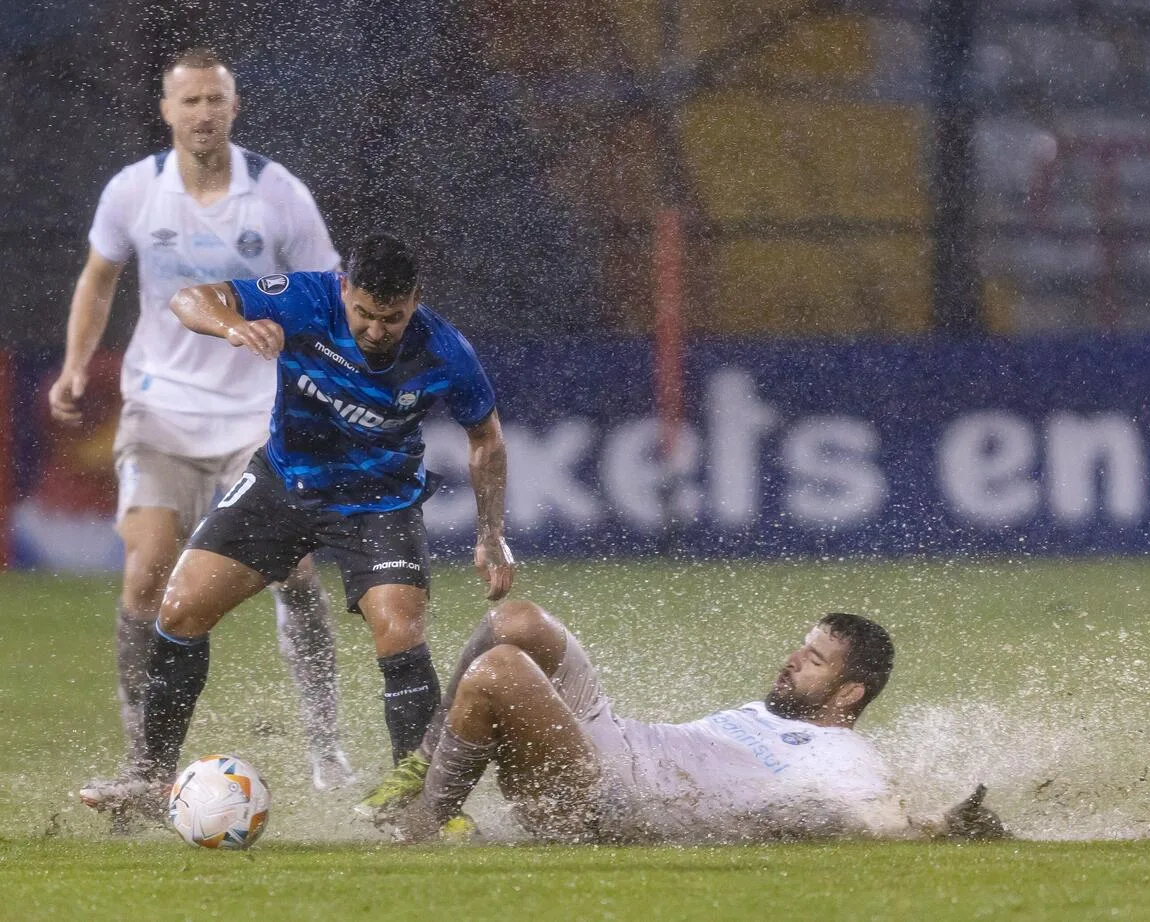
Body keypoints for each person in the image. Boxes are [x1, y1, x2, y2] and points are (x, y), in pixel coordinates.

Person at [78, 231, 516, 822]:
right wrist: (232, 326)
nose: (376, 330)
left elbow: (486, 439)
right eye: (364, 313)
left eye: (392, 317)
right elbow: (190, 298)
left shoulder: (445, 352)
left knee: (399, 629)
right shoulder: (306, 299)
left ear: (414, 300)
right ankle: (150, 780)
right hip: (285, 483)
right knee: (180, 608)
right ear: (344, 290)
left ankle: (422, 803)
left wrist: (491, 534)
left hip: (378, 503)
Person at [48, 49, 354, 792]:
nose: (204, 113)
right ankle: (144, 767)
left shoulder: (278, 194)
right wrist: (76, 364)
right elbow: (98, 279)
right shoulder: (134, 193)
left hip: (259, 415)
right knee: (147, 569)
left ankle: (326, 748)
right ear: (167, 111)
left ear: (235, 107)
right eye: (190, 101)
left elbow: (332, 291)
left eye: (216, 99)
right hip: (161, 408)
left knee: (297, 573)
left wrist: (330, 384)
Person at [382, 600, 1008, 844]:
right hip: (613, 741)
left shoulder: (838, 753)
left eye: (813, 660)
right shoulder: (763, 715)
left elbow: (875, 813)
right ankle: (419, 764)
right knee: (515, 621)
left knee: (499, 670)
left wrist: (941, 826)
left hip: (614, 802)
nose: (792, 660)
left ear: (848, 694)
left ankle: (426, 828)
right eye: (801, 646)